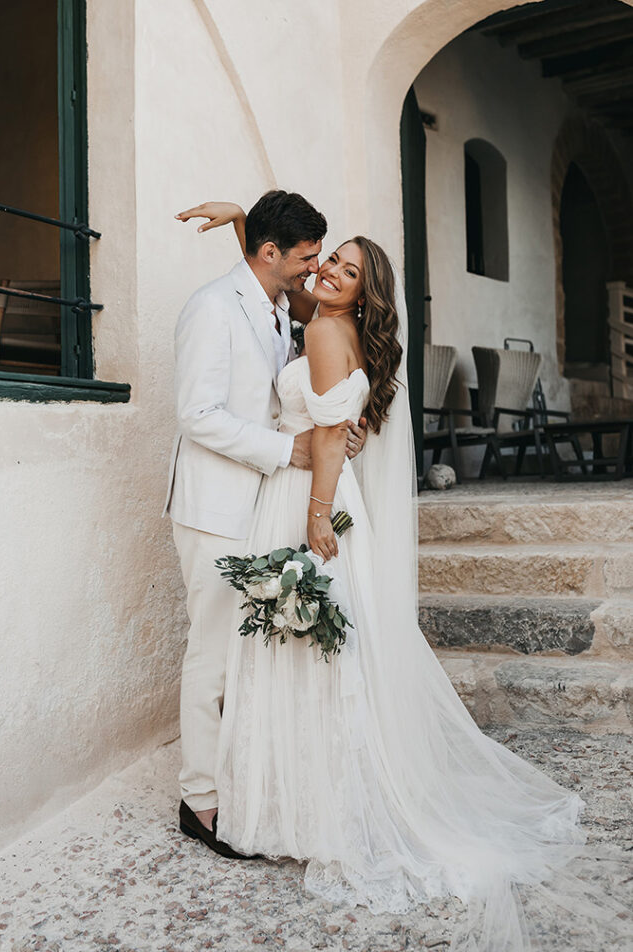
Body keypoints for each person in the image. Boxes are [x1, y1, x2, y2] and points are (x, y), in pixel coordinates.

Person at [178, 201, 632, 952]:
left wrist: (316, 510)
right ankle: (246, 795)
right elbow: (267, 280)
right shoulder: (314, 315)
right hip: (282, 491)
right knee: (286, 649)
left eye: (342, 266)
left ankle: (294, 799)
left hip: (306, 498)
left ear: (364, 293)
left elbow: (329, 431)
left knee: (302, 650)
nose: (324, 269)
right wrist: (242, 219)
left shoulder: (323, 329)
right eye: (322, 258)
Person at [164, 191, 366, 858]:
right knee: (214, 653)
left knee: (247, 653)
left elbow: (298, 384)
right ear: (272, 253)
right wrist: (289, 451)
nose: (315, 269)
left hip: (258, 506)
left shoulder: (280, 305)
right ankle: (199, 800)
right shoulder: (212, 307)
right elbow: (197, 414)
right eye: (307, 258)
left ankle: (238, 779)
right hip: (215, 507)